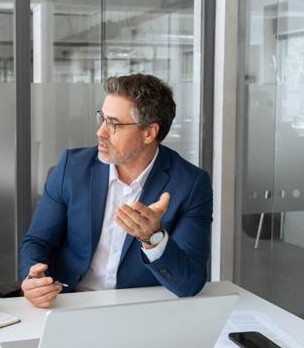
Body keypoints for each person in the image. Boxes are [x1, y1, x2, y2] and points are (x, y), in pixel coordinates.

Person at [20, 73, 212, 307]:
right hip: (70, 304)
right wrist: (33, 280)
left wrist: (153, 239)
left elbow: (189, 283)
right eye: (102, 118)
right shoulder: (72, 167)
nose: (100, 132)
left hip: (140, 312)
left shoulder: (190, 184)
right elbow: (38, 242)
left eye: (114, 124)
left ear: (149, 133)